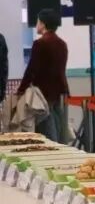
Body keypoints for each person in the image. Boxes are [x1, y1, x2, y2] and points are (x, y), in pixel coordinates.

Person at [18, 8, 68, 141]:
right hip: (59, 92)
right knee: (58, 127)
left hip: (43, 93)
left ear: (43, 24)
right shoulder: (62, 44)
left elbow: (31, 69)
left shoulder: (40, 44)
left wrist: (21, 90)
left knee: (47, 132)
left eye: (38, 22)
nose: (36, 25)